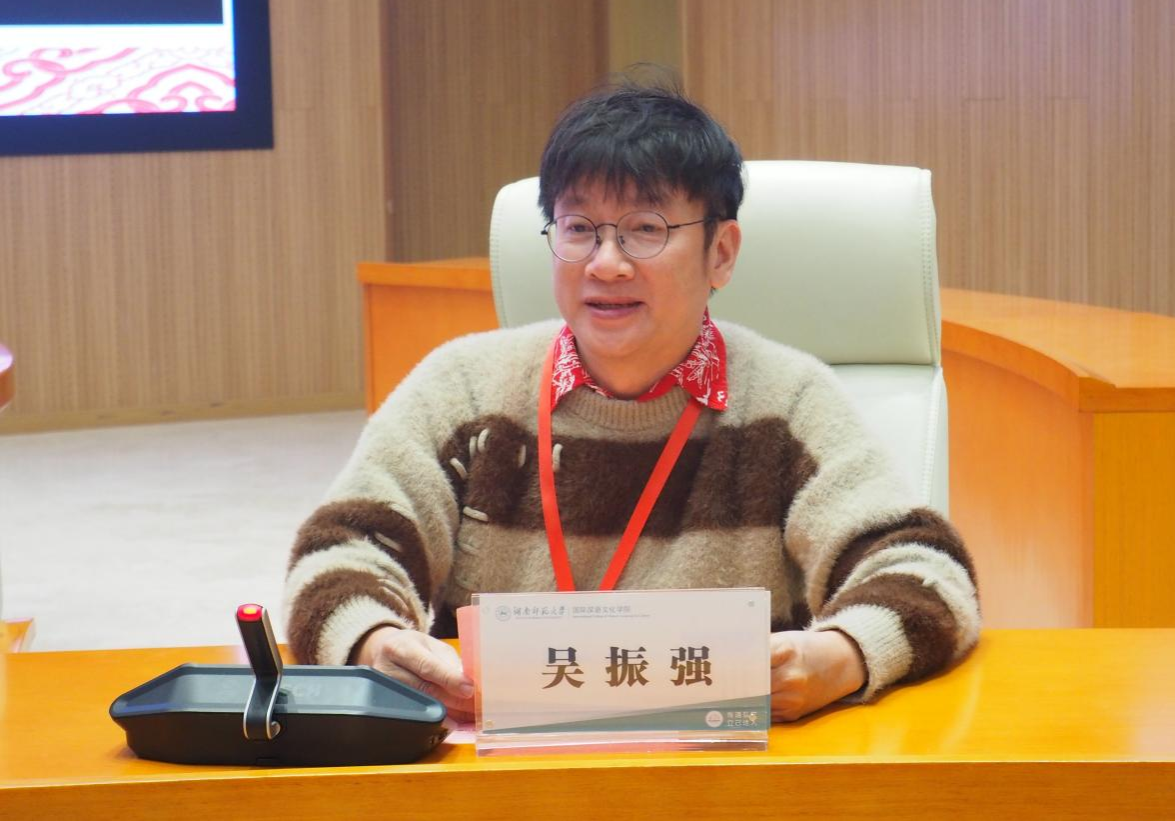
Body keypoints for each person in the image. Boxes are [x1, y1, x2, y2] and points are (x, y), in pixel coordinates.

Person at [283, 78, 980, 723]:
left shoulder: (787, 403)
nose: (606, 263)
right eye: (579, 228)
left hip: (720, 776)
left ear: (721, 252)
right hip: (503, 775)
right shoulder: (464, 391)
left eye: (646, 229)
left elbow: (926, 571)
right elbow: (338, 554)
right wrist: (374, 643)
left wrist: (842, 656)